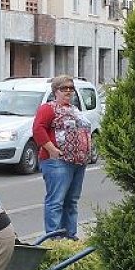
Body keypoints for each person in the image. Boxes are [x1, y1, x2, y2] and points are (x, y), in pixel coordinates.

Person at [32, 75, 92, 239]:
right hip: (57, 162)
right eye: (63, 88)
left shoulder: (74, 109)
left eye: (71, 88)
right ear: (55, 91)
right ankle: (54, 238)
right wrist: (52, 149)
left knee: (71, 201)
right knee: (56, 201)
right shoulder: (48, 108)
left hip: (78, 162)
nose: (68, 91)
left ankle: (70, 236)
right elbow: (38, 129)